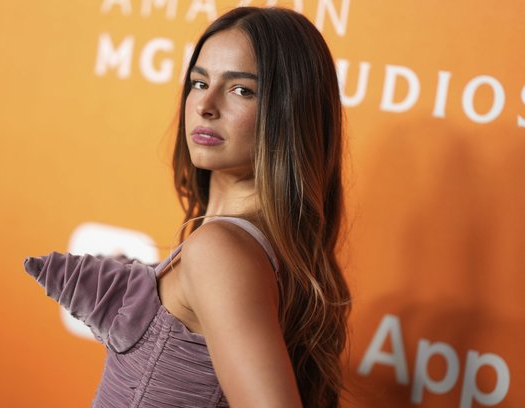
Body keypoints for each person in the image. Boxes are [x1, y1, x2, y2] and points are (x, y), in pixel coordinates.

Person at [24, 6, 350, 408]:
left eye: (241, 90)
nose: (206, 105)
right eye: (199, 82)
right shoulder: (248, 247)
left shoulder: (219, 251)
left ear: (289, 112)